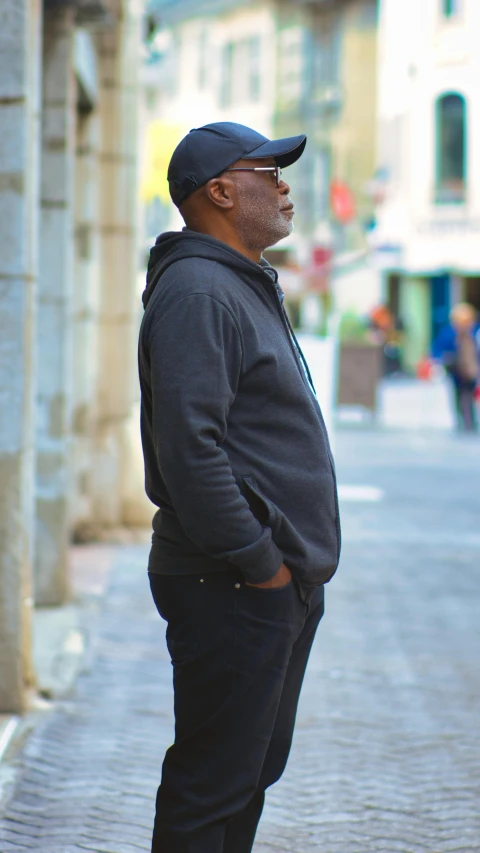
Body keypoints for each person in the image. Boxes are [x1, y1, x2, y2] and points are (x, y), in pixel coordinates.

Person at [138, 121, 341, 853]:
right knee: (211, 786)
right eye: (269, 171)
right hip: (230, 580)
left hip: (258, 582)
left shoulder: (234, 282)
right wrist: (263, 564)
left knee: (245, 779)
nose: (284, 186)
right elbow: (192, 452)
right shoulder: (199, 291)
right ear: (220, 190)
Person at [433, 302, 480, 432]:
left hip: (470, 370)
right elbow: (438, 349)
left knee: (467, 394)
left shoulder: (476, 331)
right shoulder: (449, 332)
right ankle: (463, 419)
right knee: (459, 394)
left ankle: (468, 420)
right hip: (456, 369)